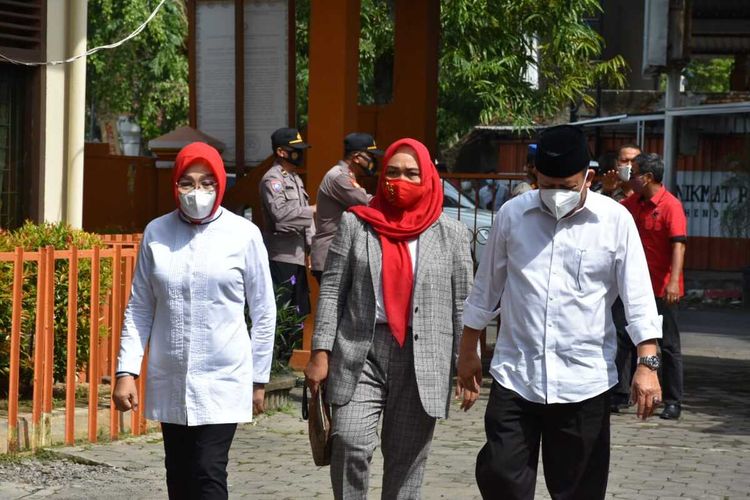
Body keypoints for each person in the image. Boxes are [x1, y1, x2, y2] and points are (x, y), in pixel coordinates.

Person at [457, 125, 663, 500]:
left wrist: (647, 365)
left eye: (566, 187)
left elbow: (639, 298)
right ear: (535, 175)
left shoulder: (615, 221)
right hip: (516, 374)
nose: (555, 196)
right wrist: (468, 349)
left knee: (579, 490)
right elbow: (486, 287)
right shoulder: (511, 215)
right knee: (501, 476)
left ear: (589, 177)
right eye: (547, 185)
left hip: (583, 381)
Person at [304, 138, 474, 499]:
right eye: (393, 172)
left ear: (429, 177)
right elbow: (333, 289)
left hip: (423, 356)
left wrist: (465, 361)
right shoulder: (356, 224)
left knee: (406, 459)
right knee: (349, 442)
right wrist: (320, 352)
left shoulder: (452, 234)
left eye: (412, 173)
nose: (401, 181)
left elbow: (462, 303)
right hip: (360, 351)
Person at [113, 142, 276, 499]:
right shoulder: (157, 233)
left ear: (221, 184)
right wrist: (127, 371)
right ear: (175, 185)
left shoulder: (243, 235)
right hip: (171, 375)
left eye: (207, 183)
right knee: (180, 474)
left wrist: (258, 378)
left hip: (224, 376)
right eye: (187, 183)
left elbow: (264, 311)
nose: (196, 192)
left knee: (208, 470)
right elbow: (140, 306)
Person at [622, 152, 687, 420]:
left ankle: (673, 401)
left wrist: (673, 281)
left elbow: (678, 244)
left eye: (634, 172)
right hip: (635, 288)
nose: (630, 176)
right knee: (626, 339)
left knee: (668, 345)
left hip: (662, 287)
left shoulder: (670, 205)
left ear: (648, 177)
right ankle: (622, 393)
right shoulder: (631, 203)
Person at [310, 132, 381, 283]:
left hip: (337, 254)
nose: (373, 160)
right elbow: (367, 203)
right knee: (334, 306)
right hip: (330, 255)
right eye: (370, 155)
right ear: (357, 157)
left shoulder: (346, 175)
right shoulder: (339, 176)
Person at [259, 127, 315, 316]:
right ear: (281, 152)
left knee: (298, 315)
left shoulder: (295, 179)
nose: (300, 154)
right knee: (281, 315)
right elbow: (280, 214)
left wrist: (310, 247)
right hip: (280, 257)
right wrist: (312, 210)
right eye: (295, 150)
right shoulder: (273, 179)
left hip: (298, 257)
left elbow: (305, 220)